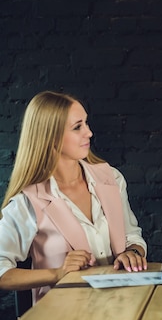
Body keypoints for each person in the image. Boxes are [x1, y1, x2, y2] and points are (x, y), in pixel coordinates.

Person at [0, 91, 148, 303]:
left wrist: (133, 252)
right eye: (77, 127)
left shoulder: (111, 178)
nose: (89, 133)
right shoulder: (27, 202)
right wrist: (58, 273)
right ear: (51, 136)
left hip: (120, 305)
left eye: (86, 123)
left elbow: (132, 235)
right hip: (62, 318)